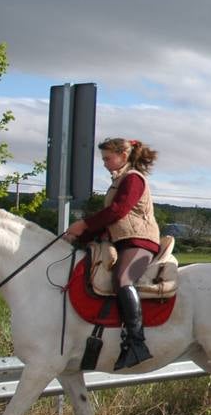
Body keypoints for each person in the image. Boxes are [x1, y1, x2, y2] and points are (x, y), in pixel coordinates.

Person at [64, 137, 161, 370]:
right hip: (122, 240)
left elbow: (117, 211)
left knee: (122, 278)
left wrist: (84, 225)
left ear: (124, 156)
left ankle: (137, 343)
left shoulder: (133, 179)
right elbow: (111, 220)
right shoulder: (119, 180)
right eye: (103, 159)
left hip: (141, 241)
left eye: (108, 158)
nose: (105, 163)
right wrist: (81, 237)